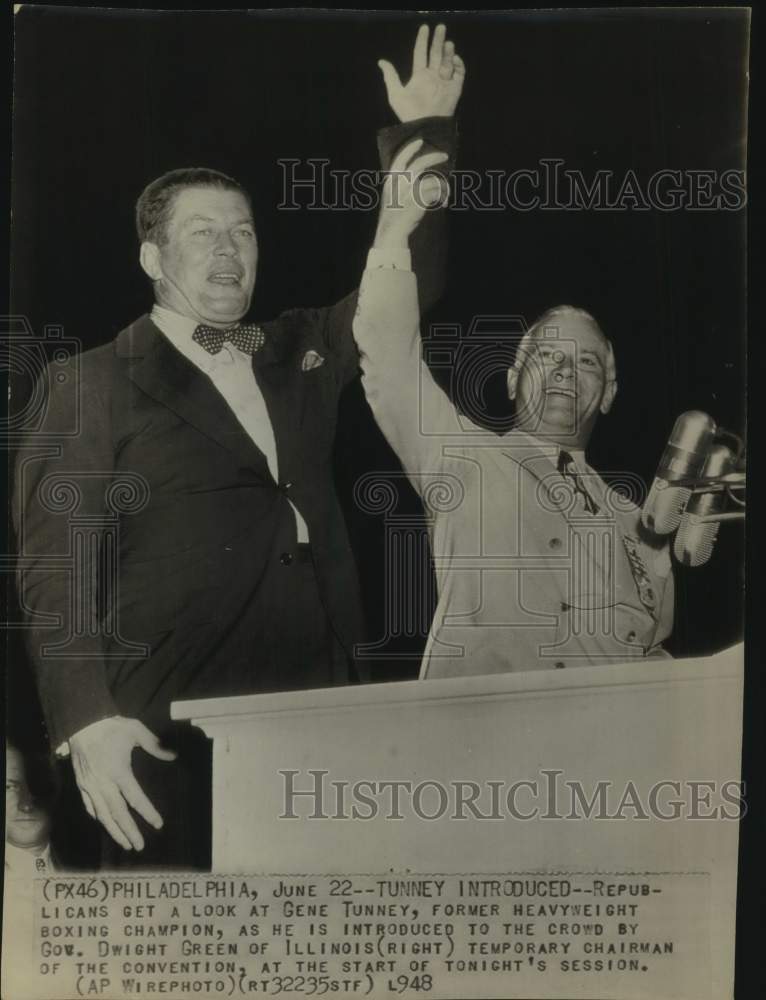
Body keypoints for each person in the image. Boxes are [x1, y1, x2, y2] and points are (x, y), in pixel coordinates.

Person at [13, 24, 464, 868]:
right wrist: (83, 720)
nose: (229, 249)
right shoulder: (91, 381)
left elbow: (405, 283)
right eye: (202, 233)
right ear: (152, 256)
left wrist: (425, 137)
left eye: (244, 231)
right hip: (171, 739)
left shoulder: (296, 348)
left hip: (325, 716)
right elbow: (52, 569)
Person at [352, 140, 675, 680]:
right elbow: (387, 358)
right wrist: (392, 235)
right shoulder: (458, 453)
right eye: (547, 355)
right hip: (487, 744)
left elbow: (651, 649)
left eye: (588, 362)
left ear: (611, 393)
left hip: (612, 746)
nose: (567, 371)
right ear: (510, 379)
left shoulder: (635, 520)